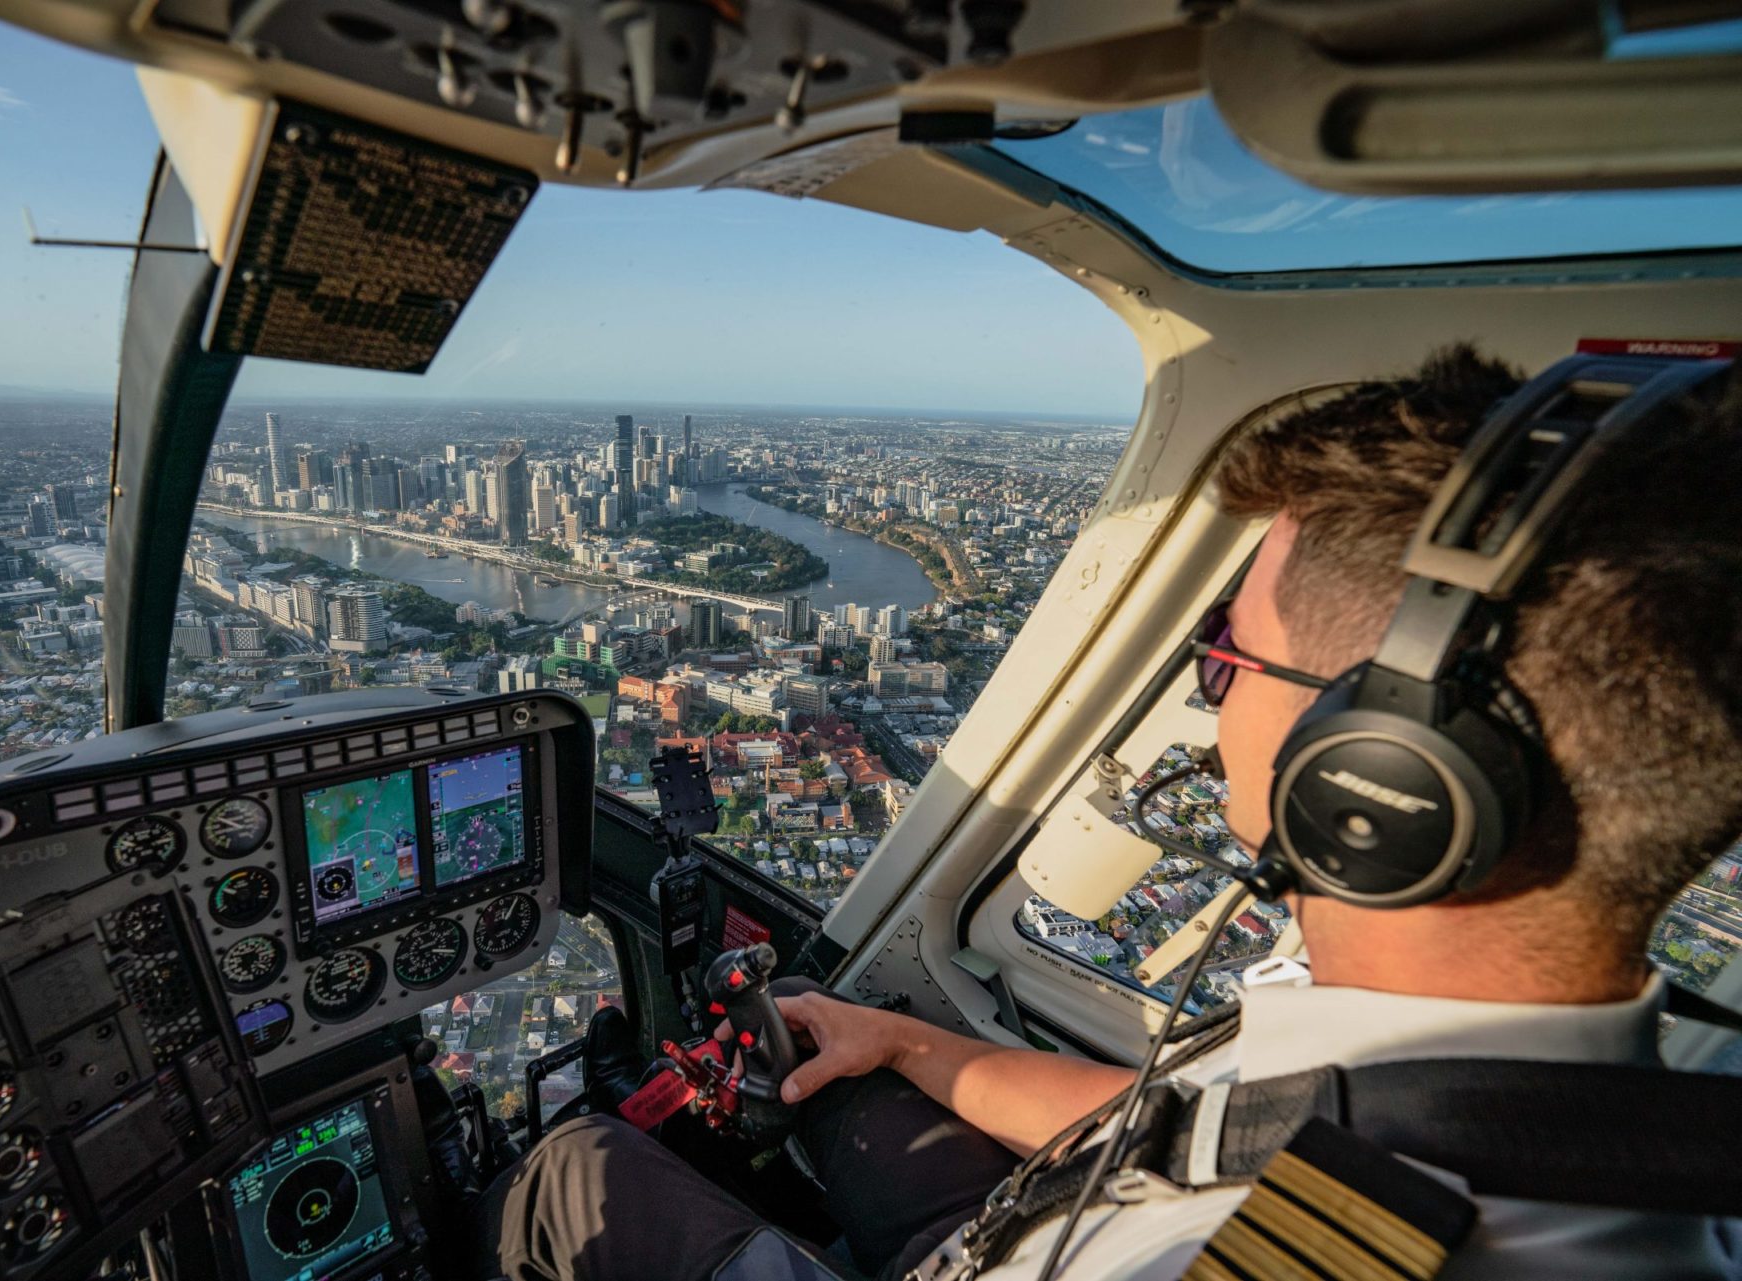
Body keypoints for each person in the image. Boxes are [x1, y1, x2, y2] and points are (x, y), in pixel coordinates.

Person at [462, 347, 1742, 1280]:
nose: (1208, 698)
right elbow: (1222, 1129)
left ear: (1378, 778)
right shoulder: (1525, 1064)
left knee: (574, 1171)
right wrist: (910, 1049)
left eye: (1227, 659)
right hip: (1086, 1207)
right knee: (826, 1075)